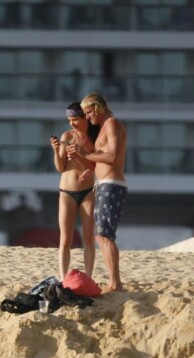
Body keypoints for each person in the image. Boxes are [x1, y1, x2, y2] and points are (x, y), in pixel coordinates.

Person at [66, 93, 128, 292]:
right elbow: (96, 162)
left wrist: (84, 154)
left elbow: (112, 156)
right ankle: (113, 281)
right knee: (101, 235)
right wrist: (81, 159)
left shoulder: (112, 124)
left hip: (112, 184)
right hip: (103, 184)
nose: (88, 117)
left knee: (104, 236)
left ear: (98, 107)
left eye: (89, 112)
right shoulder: (103, 128)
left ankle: (115, 283)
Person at [50, 102, 99, 280]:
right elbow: (61, 167)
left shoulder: (94, 138)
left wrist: (85, 162)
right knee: (65, 239)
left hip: (87, 191)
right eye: (70, 120)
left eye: (75, 120)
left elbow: (99, 164)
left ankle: (89, 277)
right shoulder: (67, 136)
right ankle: (63, 278)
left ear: (85, 118)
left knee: (88, 237)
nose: (72, 123)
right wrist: (56, 150)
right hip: (67, 191)